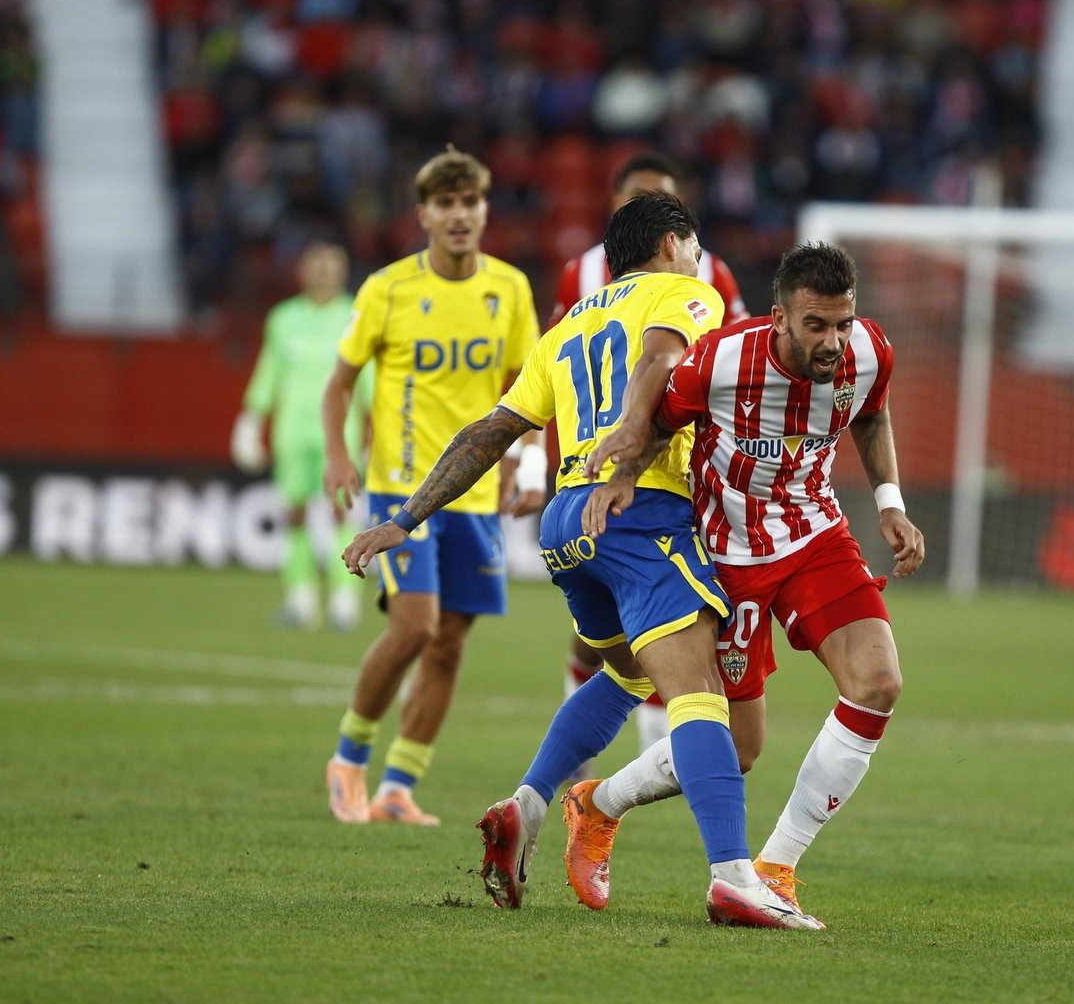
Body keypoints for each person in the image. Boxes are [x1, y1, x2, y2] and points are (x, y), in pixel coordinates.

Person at [342, 191, 818, 929]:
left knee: (626, 675)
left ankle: (528, 804)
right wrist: (628, 458)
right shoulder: (684, 294)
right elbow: (662, 357)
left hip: (568, 523)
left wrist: (406, 517)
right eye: (695, 249)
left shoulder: (569, 325)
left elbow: (491, 430)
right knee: (698, 696)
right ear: (671, 244)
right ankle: (734, 877)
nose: (700, 264)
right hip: (637, 508)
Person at [562, 242, 925, 927]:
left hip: (816, 537)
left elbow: (872, 414)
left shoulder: (870, 351)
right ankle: (598, 804)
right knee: (739, 748)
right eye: (816, 325)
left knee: (878, 684)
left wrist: (890, 503)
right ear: (779, 318)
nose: (833, 341)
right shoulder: (722, 359)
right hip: (727, 558)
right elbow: (657, 421)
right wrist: (622, 478)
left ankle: (776, 869)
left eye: (842, 323)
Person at [321, 147, 546, 828]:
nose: (459, 215)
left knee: (449, 644)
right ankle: (349, 759)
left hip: (475, 496)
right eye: (445, 203)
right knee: (414, 628)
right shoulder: (386, 289)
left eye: (469, 201)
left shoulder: (509, 289)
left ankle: (398, 786)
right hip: (399, 489)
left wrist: (525, 461)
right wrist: (338, 454)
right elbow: (339, 385)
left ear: (485, 210)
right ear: (422, 215)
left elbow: (528, 388)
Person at [554, 151, 749, 757]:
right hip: (630, 477)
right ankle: (634, 779)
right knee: (678, 646)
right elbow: (650, 358)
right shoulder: (583, 275)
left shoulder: (711, 271)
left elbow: (735, 357)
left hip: (612, 487)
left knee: (638, 643)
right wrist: (631, 438)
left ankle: (546, 785)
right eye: (635, 195)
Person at [231, 242, 373, 631]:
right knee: (293, 513)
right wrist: (250, 419)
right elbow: (270, 370)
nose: (323, 273)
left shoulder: (356, 317)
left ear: (343, 273)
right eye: (317, 266)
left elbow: (370, 377)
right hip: (292, 432)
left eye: (331, 266)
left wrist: (378, 429)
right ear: (302, 272)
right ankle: (301, 600)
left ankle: (344, 599)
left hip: (340, 436)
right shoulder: (284, 319)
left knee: (343, 512)